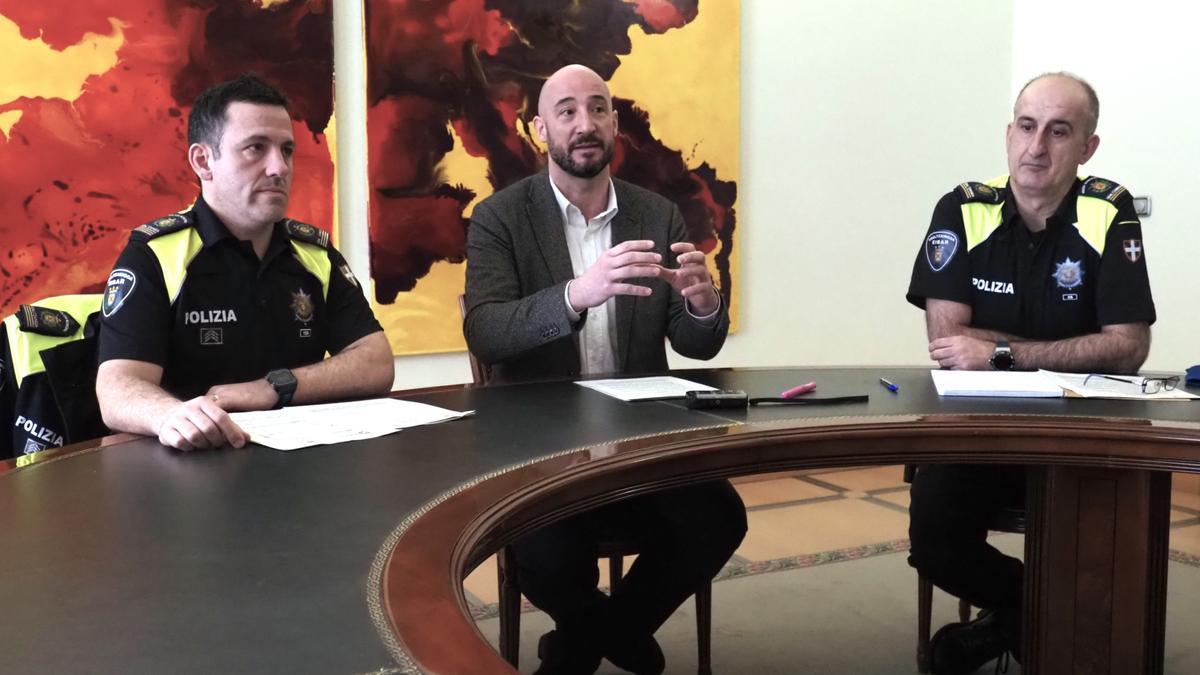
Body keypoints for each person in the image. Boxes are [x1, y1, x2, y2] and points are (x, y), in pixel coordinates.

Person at [464, 64, 747, 675]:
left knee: (719, 516)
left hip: (638, 447)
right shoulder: (500, 217)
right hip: (539, 453)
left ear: (615, 123)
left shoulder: (657, 215)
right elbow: (485, 331)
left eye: (597, 108)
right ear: (541, 129)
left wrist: (703, 305)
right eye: (566, 111)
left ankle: (579, 647)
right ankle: (618, 638)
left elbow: (695, 345)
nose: (584, 123)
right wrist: (576, 294)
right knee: (545, 555)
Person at [905, 72, 1155, 674]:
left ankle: (1007, 629)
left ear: (1088, 147)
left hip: (1080, 432)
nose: (1036, 147)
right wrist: (1072, 348)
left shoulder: (1108, 209)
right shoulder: (963, 207)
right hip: (979, 429)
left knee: (1108, 535)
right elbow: (949, 343)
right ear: (1008, 133)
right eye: (1026, 126)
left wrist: (1002, 351)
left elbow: (1128, 348)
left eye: (1058, 131)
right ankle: (1037, 614)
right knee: (934, 540)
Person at [96, 73, 393, 452]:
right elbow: (117, 388)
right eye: (256, 148)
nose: (279, 168)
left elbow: (376, 363)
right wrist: (171, 416)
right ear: (203, 161)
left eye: (286, 150)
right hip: (193, 464)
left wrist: (274, 387)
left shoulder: (314, 254)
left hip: (301, 462)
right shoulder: (155, 254)